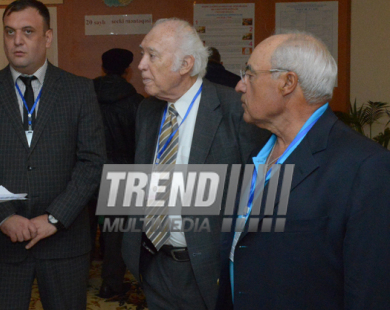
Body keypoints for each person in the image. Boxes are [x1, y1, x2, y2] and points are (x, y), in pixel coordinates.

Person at [217, 32, 390, 310]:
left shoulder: (366, 168)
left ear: (287, 82)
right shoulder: (257, 152)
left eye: (249, 74)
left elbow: (370, 290)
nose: (239, 85)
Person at [0, 0, 106, 310]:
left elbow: (92, 162)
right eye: (10, 32)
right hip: (1, 243)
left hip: (63, 240)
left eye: (27, 31)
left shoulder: (79, 91)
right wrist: (4, 217)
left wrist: (54, 218)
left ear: (47, 38)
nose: (17, 41)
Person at [121, 18, 267, 310]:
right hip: (155, 265)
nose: (141, 65)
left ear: (186, 64)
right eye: (141, 53)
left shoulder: (235, 110)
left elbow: (259, 199)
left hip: (211, 270)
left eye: (152, 55)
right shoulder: (147, 110)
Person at [93, 48, 144, 299]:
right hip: (123, 172)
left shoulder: (84, 95)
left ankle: (72, 280)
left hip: (86, 169)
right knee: (115, 233)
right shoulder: (137, 103)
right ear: (127, 71)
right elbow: (141, 144)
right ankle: (110, 284)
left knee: (80, 228)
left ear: (102, 68)